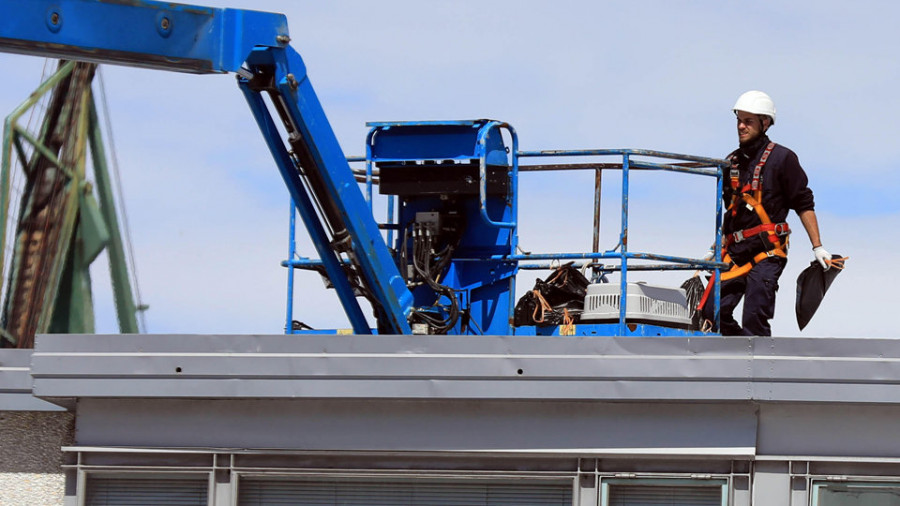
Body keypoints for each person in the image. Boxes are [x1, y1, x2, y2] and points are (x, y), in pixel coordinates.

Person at [702, 90, 831, 336]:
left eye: (748, 121)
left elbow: (803, 203)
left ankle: (757, 366)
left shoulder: (783, 159)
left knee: (754, 315)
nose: (741, 126)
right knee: (711, 311)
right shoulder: (732, 163)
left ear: (765, 123)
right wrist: (714, 247)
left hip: (767, 252)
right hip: (735, 253)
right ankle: (741, 354)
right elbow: (731, 212)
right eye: (739, 120)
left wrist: (818, 247)